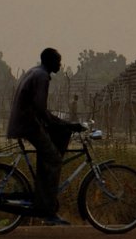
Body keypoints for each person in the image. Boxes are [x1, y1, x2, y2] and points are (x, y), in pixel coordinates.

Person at [6, 47, 84, 225]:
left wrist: (59, 124)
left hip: (24, 123)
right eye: (58, 61)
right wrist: (66, 124)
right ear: (50, 62)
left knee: (47, 158)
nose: (60, 64)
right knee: (54, 160)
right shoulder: (42, 77)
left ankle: (43, 202)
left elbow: (40, 111)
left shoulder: (35, 71)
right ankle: (47, 211)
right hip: (28, 125)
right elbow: (41, 110)